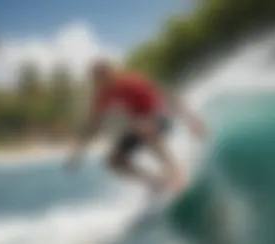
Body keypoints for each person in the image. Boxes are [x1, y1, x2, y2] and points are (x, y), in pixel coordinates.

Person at [66, 58, 206, 194]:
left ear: (111, 72)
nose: (99, 82)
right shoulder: (103, 95)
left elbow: (169, 95)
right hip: (141, 127)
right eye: (96, 79)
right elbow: (92, 125)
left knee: (141, 125)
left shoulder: (131, 82)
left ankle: (175, 170)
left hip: (162, 117)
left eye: (101, 77)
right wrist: (77, 153)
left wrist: (192, 120)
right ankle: (154, 183)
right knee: (113, 160)